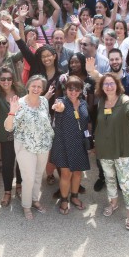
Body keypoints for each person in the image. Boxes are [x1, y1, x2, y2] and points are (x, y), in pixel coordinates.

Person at [93, 73, 129, 229]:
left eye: (111, 83)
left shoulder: (124, 99)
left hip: (122, 147)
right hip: (104, 147)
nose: (109, 86)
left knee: (125, 182)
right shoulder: (101, 102)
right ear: (102, 87)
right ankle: (113, 203)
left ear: (117, 85)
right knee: (109, 178)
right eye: (105, 84)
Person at [4, 75, 55, 220]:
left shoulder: (44, 101)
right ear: (28, 86)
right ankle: (26, 206)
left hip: (43, 146)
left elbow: (47, 122)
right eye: (34, 86)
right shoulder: (19, 103)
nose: (36, 89)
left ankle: (35, 200)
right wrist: (12, 111)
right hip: (25, 146)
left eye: (39, 87)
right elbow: (8, 128)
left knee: (38, 175)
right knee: (28, 177)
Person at [50, 75, 90, 214]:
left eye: (76, 89)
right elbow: (57, 107)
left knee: (78, 172)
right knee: (66, 174)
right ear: (66, 89)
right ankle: (64, 199)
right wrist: (57, 107)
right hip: (63, 143)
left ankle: (74, 196)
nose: (73, 92)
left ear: (81, 90)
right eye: (70, 88)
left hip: (79, 143)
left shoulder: (83, 103)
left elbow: (86, 123)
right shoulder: (61, 101)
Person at [0, 67, 24, 206]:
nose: (6, 81)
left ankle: (19, 186)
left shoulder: (21, 91)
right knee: (7, 165)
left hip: (21, 134)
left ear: (13, 79)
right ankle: (7, 191)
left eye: (9, 78)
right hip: (5, 134)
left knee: (21, 163)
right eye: (2, 79)